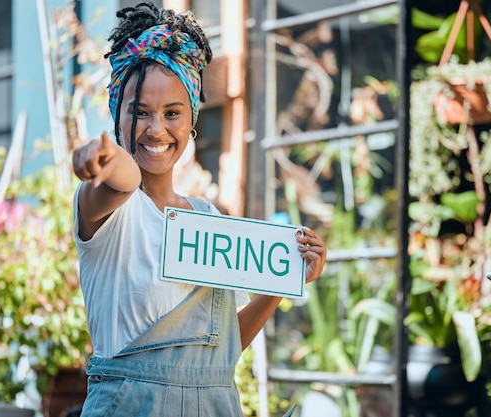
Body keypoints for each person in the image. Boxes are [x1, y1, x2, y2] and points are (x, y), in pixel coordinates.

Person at [71, 2, 327, 416]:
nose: (156, 129)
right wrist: (101, 157)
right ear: (117, 116)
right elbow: (125, 179)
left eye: (172, 113)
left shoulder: (208, 218)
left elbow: (220, 350)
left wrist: (284, 283)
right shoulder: (106, 206)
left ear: (192, 120)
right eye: (139, 113)